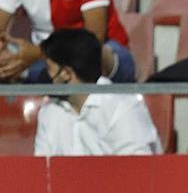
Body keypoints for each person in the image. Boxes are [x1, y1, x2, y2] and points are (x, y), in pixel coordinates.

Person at [33, 28, 160, 156]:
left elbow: (137, 168)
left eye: (49, 68)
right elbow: (42, 170)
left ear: (66, 73)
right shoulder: (49, 111)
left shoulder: (122, 108)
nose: (45, 74)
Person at [0, 0, 135, 83]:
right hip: (44, 58)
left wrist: (38, 53)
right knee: (8, 56)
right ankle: (27, 75)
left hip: (104, 53)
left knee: (91, 58)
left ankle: (30, 75)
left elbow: (93, 40)